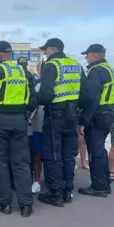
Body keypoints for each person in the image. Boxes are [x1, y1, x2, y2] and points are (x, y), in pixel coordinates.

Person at [0, 41, 36, 217]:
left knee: (0, 161)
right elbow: (34, 98)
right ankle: (26, 204)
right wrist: (24, 113)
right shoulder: (24, 72)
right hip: (19, 119)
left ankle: (4, 203)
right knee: (21, 162)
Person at [37, 38, 85, 207]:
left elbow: (46, 95)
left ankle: (55, 193)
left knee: (53, 154)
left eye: (45, 50)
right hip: (72, 115)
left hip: (55, 115)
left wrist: (35, 98)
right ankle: (67, 191)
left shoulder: (51, 65)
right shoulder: (76, 65)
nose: (45, 53)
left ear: (52, 49)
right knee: (68, 154)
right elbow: (84, 92)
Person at [78, 44, 114, 197]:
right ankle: (105, 183)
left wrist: (83, 120)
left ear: (94, 55)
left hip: (97, 115)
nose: (86, 58)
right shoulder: (109, 69)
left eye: (87, 55)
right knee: (100, 150)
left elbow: (92, 98)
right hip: (107, 113)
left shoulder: (96, 71)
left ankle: (99, 186)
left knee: (95, 152)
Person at [30, 62, 44, 194]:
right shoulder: (38, 86)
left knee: (37, 155)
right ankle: (38, 180)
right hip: (40, 126)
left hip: (40, 126)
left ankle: (37, 181)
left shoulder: (39, 86)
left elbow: (32, 107)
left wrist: (27, 119)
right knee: (38, 155)